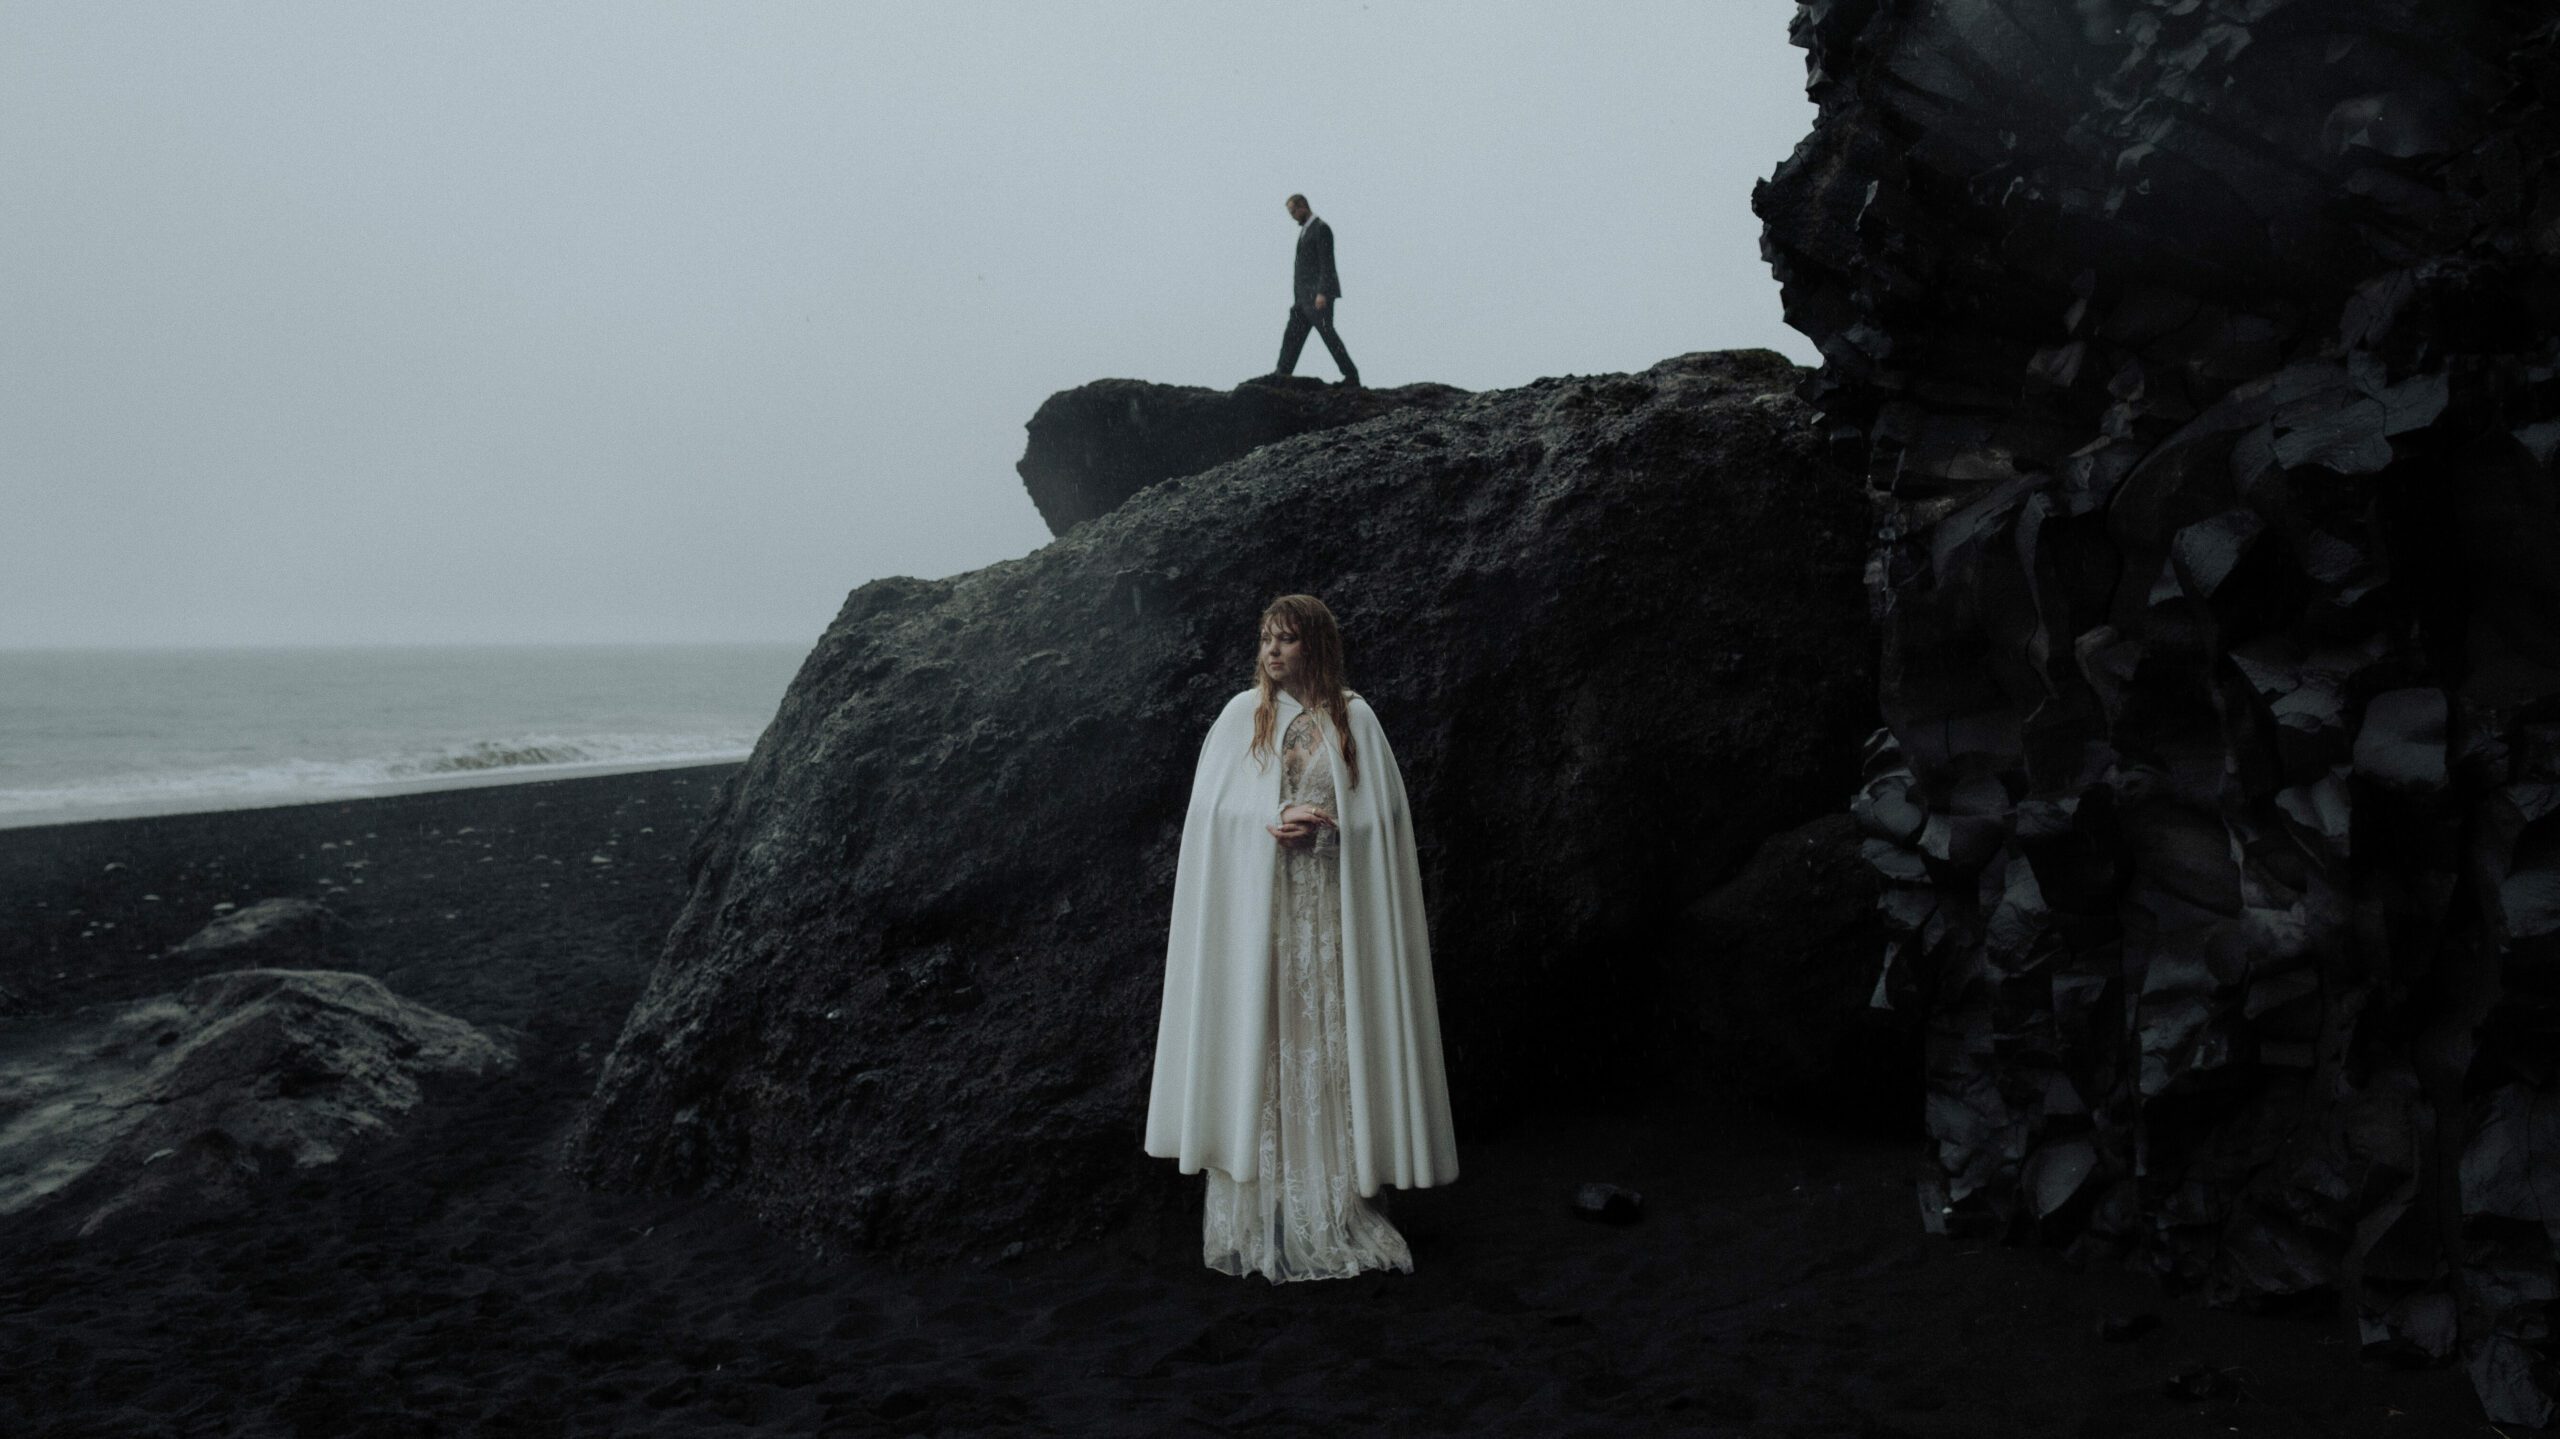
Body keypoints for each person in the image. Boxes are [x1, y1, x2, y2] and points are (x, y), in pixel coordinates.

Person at [1143, 594, 1459, 1282]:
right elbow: (1213, 815)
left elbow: (1384, 821)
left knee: (1329, 1050)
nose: (1272, 653)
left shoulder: (1355, 718)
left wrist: (1331, 827)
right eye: (1265, 640)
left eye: (1285, 640)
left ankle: (1333, 1206)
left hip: (1331, 915)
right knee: (1268, 1050)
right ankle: (1266, 1211)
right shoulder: (1240, 719)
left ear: (1314, 644)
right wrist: (1274, 812)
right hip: (1265, 920)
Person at [1272, 194, 1361, 387]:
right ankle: (1281, 373)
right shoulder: (1305, 231)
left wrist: (1322, 292)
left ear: (1303, 206)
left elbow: (1326, 263)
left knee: (1328, 334)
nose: (1292, 216)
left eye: (1293, 211)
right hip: (1303, 299)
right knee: (1292, 335)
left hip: (1317, 297)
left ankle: (1351, 375)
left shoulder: (1321, 228)